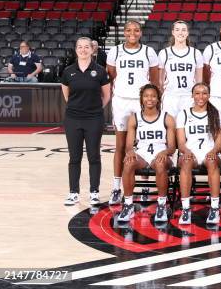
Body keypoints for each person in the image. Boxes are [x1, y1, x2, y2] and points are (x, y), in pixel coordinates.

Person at [106, 20, 160, 205]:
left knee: (143, 144)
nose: (132, 33)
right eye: (128, 30)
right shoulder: (115, 51)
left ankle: (144, 186)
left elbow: (154, 80)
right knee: (121, 145)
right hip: (121, 101)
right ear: (123, 32)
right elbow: (112, 75)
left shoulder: (148, 52)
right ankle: (116, 187)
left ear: (141, 32)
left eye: (136, 30)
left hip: (141, 102)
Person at [61, 37, 111, 206]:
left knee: (94, 156)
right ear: (76, 50)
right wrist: (78, 108)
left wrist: (95, 109)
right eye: (80, 47)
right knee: (74, 157)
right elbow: (67, 96)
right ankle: (73, 192)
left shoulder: (100, 71)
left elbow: (107, 96)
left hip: (94, 119)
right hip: (73, 119)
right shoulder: (68, 71)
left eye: (86, 47)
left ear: (92, 49)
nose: (83, 50)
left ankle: (94, 192)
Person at [116, 84, 176, 223]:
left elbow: (172, 147)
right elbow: (129, 145)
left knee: (160, 164)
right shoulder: (134, 118)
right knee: (128, 162)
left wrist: (165, 152)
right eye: (146, 96)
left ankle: (161, 205)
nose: (150, 99)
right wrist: (130, 152)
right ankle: (129, 204)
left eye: (153, 96)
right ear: (142, 99)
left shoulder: (167, 118)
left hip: (161, 153)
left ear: (158, 99)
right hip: (142, 154)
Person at [176, 83, 221, 225]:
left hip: (210, 151)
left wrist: (214, 151)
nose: (200, 96)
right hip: (191, 151)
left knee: (212, 161)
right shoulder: (183, 114)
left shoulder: (216, 114)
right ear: (192, 95)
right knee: (185, 162)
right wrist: (186, 151)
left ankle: (214, 208)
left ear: (209, 96)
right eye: (197, 93)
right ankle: (186, 209)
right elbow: (181, 143)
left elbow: (219, 143)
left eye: (204, 93)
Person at [158, 20, 203, 120]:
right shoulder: (164, 53)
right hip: (170, 96)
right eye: (177, 30)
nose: (180, 33)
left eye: (183, 30)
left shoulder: (196, 53)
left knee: (186, 129)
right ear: (173, 32)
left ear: (187, 33)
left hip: (188, 96)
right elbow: (160, 81)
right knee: (169, 128)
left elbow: (199, 81)